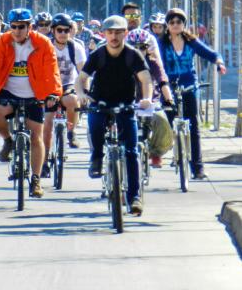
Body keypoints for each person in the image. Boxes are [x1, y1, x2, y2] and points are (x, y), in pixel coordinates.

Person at [76, 15, 154, 217]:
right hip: (100, 103)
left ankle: (135, 197)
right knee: (94, 125)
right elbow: (81, 79)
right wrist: (82, 94)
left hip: (126, 105)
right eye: (110, 32)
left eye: (118, 32)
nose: (114, 36)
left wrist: (146, 99)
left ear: (125, 34)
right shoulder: (98, 55)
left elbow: (146, 79)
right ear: (104, 34)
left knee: (131, 150)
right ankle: (96, 158)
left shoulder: (133, 55)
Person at [0, 8, 62, 199]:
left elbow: (52, 69)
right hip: (8, 90)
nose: (17, 31)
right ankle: (8, 140)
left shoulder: (42, 43)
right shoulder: (2, 42)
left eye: (22, 27)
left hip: (34, 93)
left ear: (30, 27)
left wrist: (53, 93)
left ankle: (36, 179)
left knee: (36, 135)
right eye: (14, 27)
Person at [158, 8, 226, 179]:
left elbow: (212, 54)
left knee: (193, 127)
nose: (175, 25)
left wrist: (219, 63)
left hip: (189, 85)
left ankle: (197, 168)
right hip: (168, 87)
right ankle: (177, 149)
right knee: (172, 123)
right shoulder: (162, 43)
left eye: (179, 22)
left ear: (184, 24)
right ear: (167, 24)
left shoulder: (191, 42)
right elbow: (153, 61)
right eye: (171, 22)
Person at [41, 14, 86, 177]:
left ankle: (71, 132)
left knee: (72, 100)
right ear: (53, 31)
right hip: (49, 85)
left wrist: (85, 93)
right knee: (47, 123)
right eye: (59, 30)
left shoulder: (76, 48)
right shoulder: (46, 46)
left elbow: (83, 73)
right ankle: (44, 161)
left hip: (68, 84)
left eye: (66, 30)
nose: (62, 33)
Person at [127, 29, 175, 168]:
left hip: (150, 102)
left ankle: (155, 153)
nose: (138, 50)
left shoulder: (153, 62)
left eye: (142, 47)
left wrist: (169, 100)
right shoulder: (121, 61)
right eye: (133, 47)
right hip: (128, 102)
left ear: (148, 48)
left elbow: (162, 80)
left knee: (162, 121)